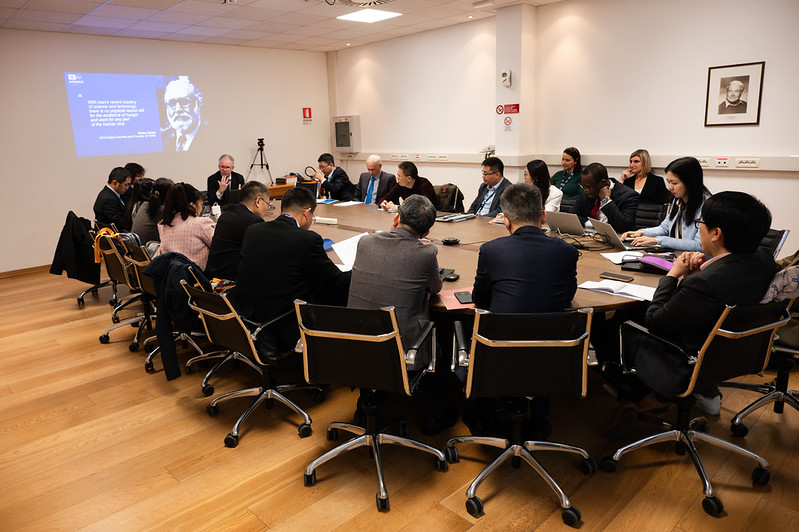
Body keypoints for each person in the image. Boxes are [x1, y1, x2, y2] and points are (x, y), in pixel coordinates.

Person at [232, 187, 351, 351]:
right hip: (280, 323)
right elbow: (337, 281)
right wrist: (361, 269)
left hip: (245, 316)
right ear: (306, 213)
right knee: (334, 292)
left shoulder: (253, 230)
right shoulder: (307, 239)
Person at [349, 194, 441, 351]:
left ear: (396, 218)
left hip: (356, 345)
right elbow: (436, 288)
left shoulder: (365, 241)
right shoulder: (427, 253)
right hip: (401, 353)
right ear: (426, 233)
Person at [473, 182, 578, 313]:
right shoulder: (567, 252)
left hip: (502, 332)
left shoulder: (490, 251)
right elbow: (568, 297)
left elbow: (480, 299)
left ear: (506, 221)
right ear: (543, 216)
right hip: (555, 332)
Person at [621, 157, 711, 251]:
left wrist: (659, 240)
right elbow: (664, 228)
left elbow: (698, 245)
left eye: (674, 183)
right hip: (678, 256)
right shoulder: (678, 200)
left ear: (690, 183)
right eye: (668, 182)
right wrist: (641, 233)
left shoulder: (707, 206)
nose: (670, 187)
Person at [205, 181, 270, 281]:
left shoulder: (226, 214)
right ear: (258, 201)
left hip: (212, 278)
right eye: (267, 204)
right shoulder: (253, 221)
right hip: (230, 283)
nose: (267, 208)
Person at [154, 183, 216, 270]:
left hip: (170, 278)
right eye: (201, 204)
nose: (201, 207)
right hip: (196, 278)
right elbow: (219, 247)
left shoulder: (163, 224)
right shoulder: (201, 223)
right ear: (192, 205)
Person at [489, 159, 563, 224]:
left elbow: (544, 215)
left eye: (526, 174)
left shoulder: (555, 193)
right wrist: (501, 215)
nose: (524, 178)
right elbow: (514, 208)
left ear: (536, 178)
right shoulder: (525, 190)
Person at [572, 162, 639, 233]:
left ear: (602, 183)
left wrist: (606, 200)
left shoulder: (628, 195)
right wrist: (592, 224)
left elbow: (625, 227)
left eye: (588, 187)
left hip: (616, 239)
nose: (585, 190)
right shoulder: (588, 191)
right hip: (590, 237)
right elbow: (573, 217)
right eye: (583, 186)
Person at [161, 76, 203, 152]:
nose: (178, 110)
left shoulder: (214, 137)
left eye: (184, 102)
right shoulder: (163, 139)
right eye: (172, 103)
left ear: (198, 105)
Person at [132, 177, 173, 244]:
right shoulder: (165, 211)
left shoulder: (143, 205)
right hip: (148, 249)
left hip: (137, 249)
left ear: (151, 191)